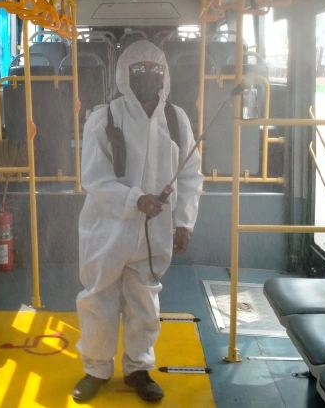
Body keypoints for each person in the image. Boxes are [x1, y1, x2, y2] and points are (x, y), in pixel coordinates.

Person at [73, 40, 203, 403]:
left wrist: (184, 223)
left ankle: (138, 369)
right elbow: (94, 178)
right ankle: (95, 369)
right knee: (98, 298)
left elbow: (190, 174)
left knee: (144, 300)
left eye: (155, 71)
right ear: (124, 76)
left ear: (165, 76)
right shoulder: (103, 119)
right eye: (139, 71)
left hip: (154, 231)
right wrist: (135, 200)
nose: (148, 77)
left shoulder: (176, 120)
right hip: (107, 228)